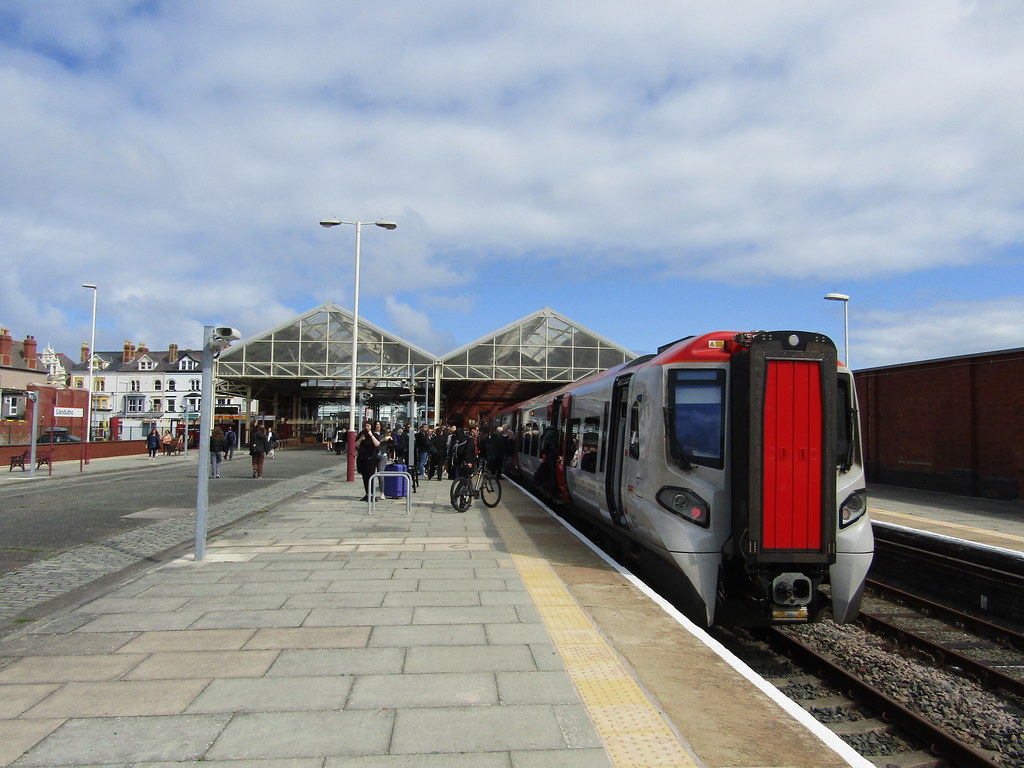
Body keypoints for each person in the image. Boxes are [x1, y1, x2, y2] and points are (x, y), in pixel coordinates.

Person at [355, 419, 381, 501]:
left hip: (371, 458)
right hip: (362, 458)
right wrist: (360, 440)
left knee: (371, 476)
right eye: (366, 426)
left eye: (368, 426)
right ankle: (367, 494)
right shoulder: (361, 434)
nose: (367, 427)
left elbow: (377, 444)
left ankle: (372, 494)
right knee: (364, 476)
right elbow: (356, 444)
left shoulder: (374, 434)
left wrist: (371, 435)